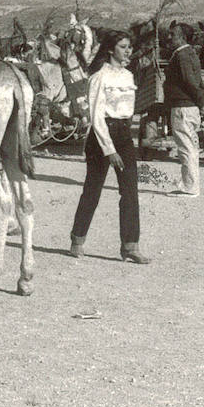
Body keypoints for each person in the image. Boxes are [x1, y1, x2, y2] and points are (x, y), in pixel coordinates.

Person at [70, 30, 149, 264]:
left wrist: (124, 140)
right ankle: (77, 239)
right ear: (110, 49)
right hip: (101, 136)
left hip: (124, 134)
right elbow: (96, 116)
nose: (128, 51)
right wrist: (109, 149)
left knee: (130, 191)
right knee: (93, 190)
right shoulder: (99, 77)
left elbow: (129, 110)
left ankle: (130, 246)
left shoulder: (128, 76)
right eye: (123, 47)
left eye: (129, 47)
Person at [163, 21, 204, 197]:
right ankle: (190, 185)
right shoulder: (190, 54)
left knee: (186, 148)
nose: (169, 37)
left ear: (182, 37)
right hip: (190, 108)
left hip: (182, 108)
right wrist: (202, 100)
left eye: (173, 34)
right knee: (191, 147)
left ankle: (190, 188)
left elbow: (190, 81)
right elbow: (197, 81)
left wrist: (200, 100)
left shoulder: (181, 56)